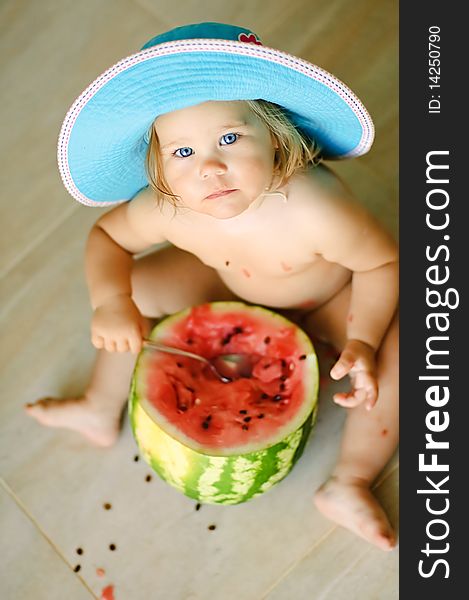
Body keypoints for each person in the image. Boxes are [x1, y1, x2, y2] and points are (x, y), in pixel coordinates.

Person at [26, 23, 398, 551]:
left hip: (328, 299)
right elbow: (108, 237)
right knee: (137, 287)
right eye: (182, 154)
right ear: (158, 168)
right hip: (227, 285)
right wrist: (111, 302)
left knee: (403, 353)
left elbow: (383, 264)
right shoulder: (170, 211)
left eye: (229, 138)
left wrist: (363, 339)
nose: (210, 168)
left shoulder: (316, 209)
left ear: (276, 134)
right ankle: (98, 405)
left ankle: (350, 479)